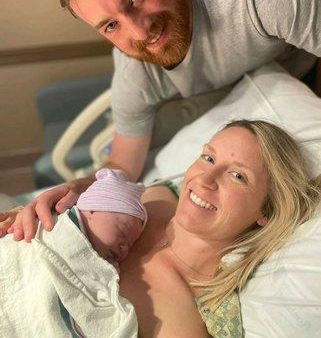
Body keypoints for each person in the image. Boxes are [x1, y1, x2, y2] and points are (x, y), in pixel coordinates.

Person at [9, 0, 321, 233]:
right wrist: (79, 188)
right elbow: (123, 164)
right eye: (111, 25)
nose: (140, 32)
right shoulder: (135, 70)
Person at [3, 120, 320, 337]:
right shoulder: (155, 195)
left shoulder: (179, 322)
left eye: (238, 176)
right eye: (208, 157)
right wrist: (70, 192)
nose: (204, 180)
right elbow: (111, 181)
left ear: (265, 211)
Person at [0, 167, 147, 337]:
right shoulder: (61, 226)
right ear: (91, 210)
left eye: (130, 244)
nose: (125, 248)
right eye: (122, 232)